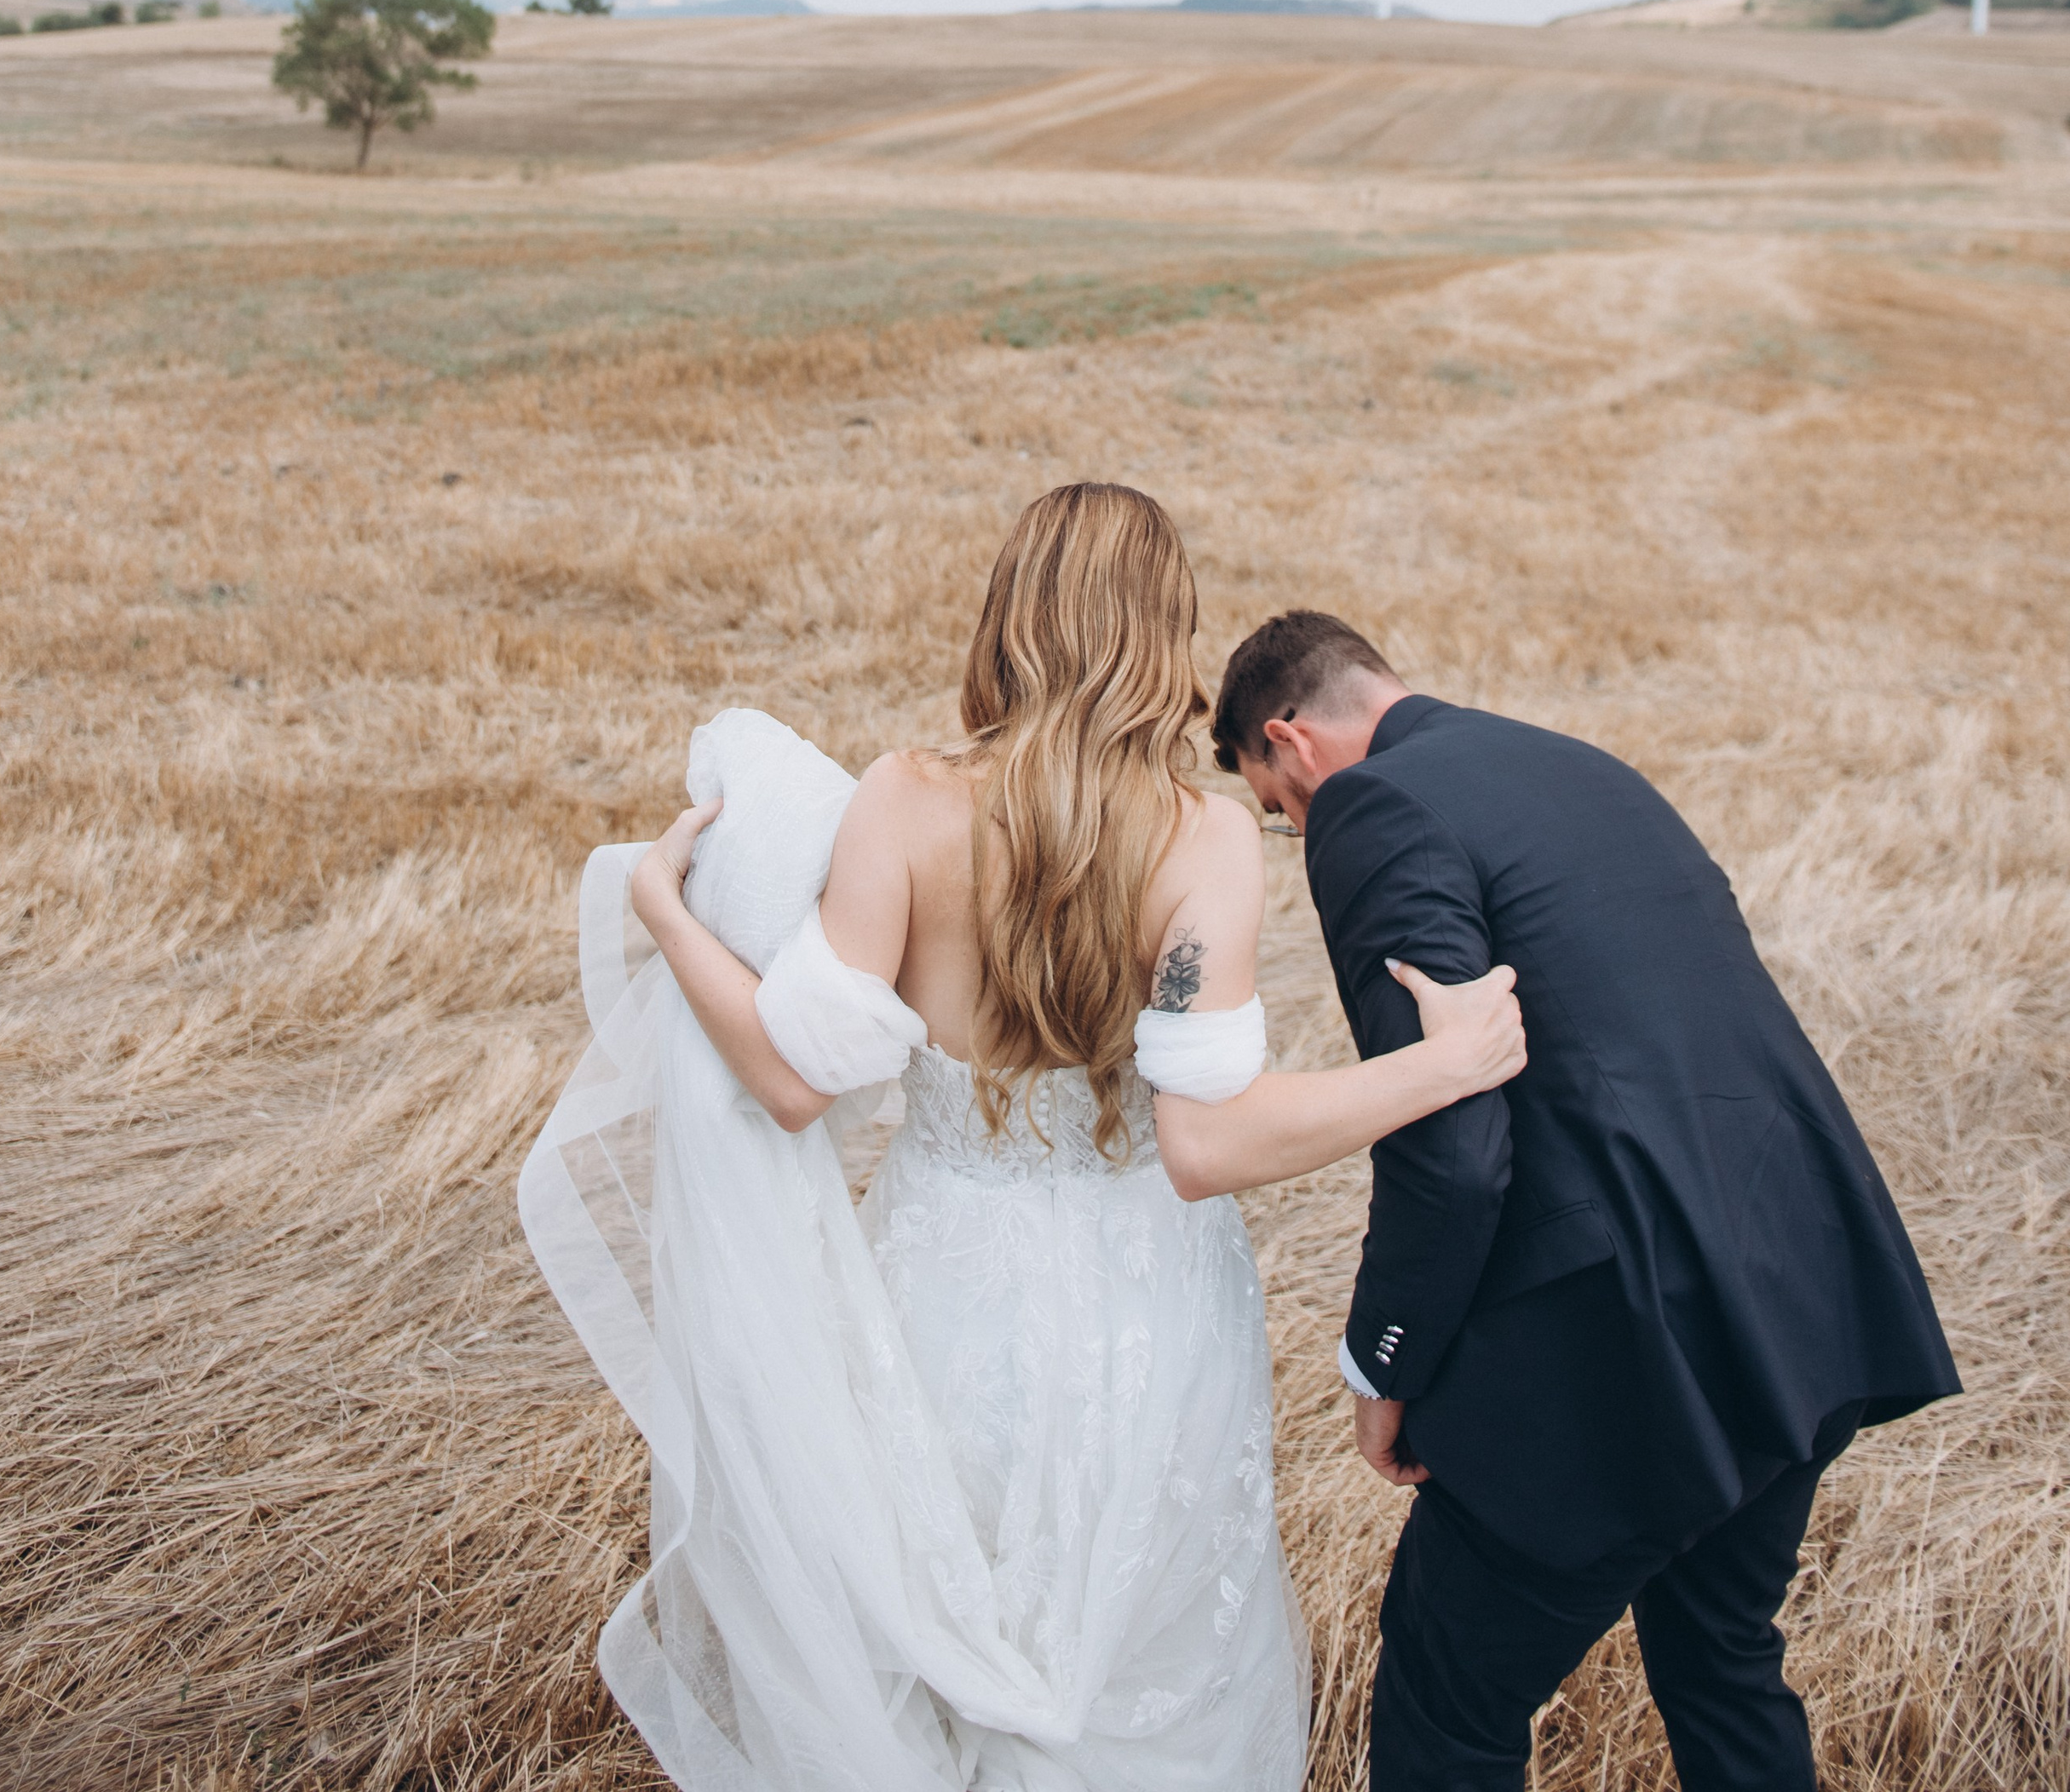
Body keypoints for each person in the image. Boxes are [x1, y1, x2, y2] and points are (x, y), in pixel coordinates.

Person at [526, 484, 1526, 1791]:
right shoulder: (1203, 837)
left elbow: (788, 1079)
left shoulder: (903, 800)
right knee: (1149, 1646)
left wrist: (665, 909)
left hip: (944, 1287)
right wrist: (1445, 1066)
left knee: (953, 1624)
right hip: (1154, 1307)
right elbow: (1210, 1134)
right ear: (1162, 638)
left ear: (1007, 618)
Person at [1211, 608, 1960, 1792]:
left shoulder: (1368, 809)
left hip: (1624, 1340)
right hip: (1797, 1285)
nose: (1293, 831)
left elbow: (1448, 1139)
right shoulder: (1573, 764)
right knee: (1721, 1662)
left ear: (1290, 742)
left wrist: (1386, 1363)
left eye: (1275, 805)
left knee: (1444, 1699)